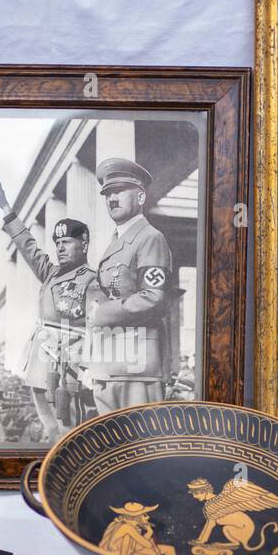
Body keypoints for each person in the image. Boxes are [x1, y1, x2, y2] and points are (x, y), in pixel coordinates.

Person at [0, 176, 98, 441]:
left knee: (68, 425)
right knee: (49, 425)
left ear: (83, 245)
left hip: (69, 361)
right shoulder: (50, 273)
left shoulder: (93, 279)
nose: (60, 248)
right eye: (58, 244)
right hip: (41, 357)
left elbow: (98, 325)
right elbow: (29, 247)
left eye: (67, 243)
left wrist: (89, 365)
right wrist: (8, 212)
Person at [85, 157, 173, 413]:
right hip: (108, 364)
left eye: (120, 191)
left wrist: (101, 313)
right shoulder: (117, 241)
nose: (112, 199)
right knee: (110, 446)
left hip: (138, 366)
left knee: (138, 446)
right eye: (108, 194)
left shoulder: (150, 238)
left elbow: (154, 297)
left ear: (141, 198)